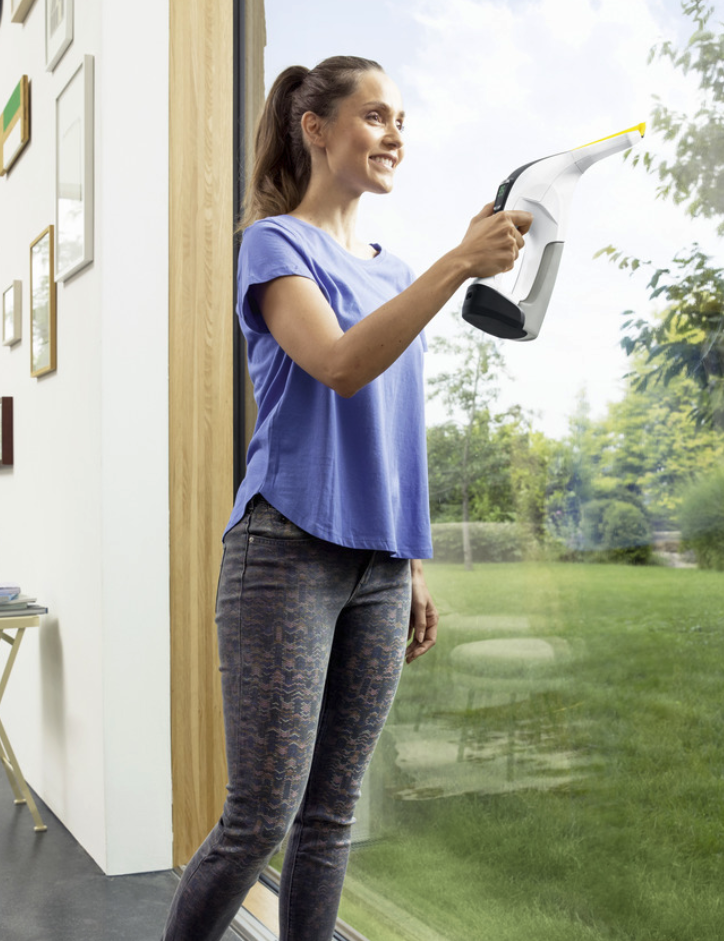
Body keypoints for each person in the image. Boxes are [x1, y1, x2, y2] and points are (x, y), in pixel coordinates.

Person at [161, 55, 531, 941]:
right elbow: (337, 365)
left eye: (401, 119)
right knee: (260, 817)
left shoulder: (396, 271)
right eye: (374, 115)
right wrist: (459, 262)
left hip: (379, 569)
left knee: (331, 817)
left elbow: (394, 428)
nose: (394, 134)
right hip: (284, 551)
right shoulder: (273, 245)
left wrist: (410, 562)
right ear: (316, 128)